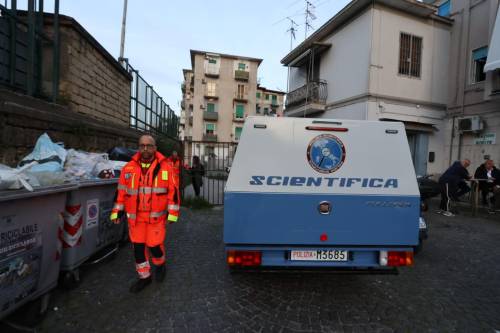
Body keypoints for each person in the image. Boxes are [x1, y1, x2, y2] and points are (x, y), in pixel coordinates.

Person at [110, 135, 180, 293]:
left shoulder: (166, 168)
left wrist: (173, 214)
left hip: (156, 218)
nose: (145, 149)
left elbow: (173, 193)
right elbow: (121, 193)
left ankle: (160, 265)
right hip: (136, 219)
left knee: (155, 246)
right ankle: (144, 277)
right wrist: (117, 212)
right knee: (138, 249)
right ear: (139, 147)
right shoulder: (128, 168)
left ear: (155, 148)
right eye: (142, 146)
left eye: (149, 145)